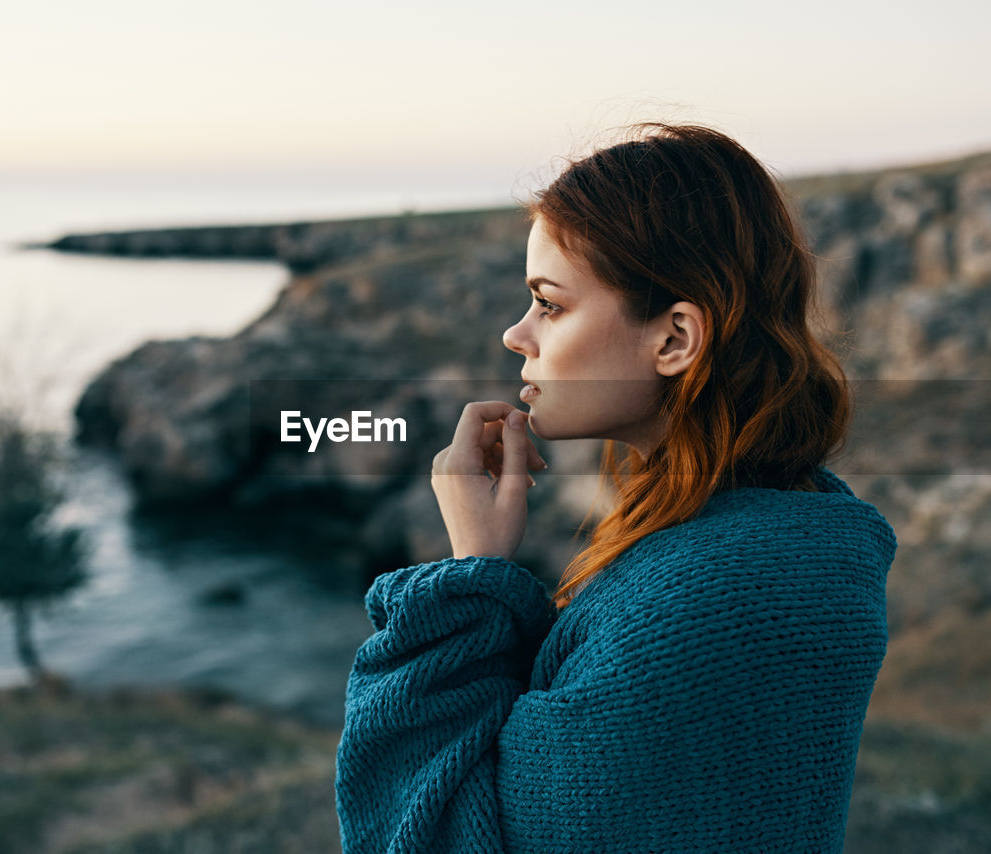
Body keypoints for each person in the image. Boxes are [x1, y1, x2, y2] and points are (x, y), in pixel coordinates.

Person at [334, 122, 897, 853]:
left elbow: (429, 835)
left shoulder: (688, 611)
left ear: (675, 340)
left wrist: (470, 580)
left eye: (551, 304)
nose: (517, 334)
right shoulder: (806, 529)